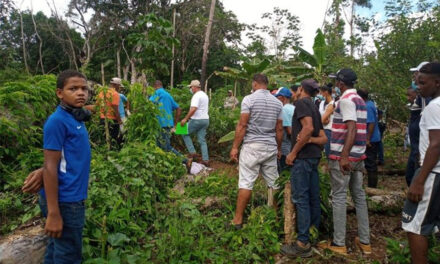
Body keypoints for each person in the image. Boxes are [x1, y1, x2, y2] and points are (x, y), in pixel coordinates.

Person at [23, 70, 91, 263]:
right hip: (65, 201)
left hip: (70, 197)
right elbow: (51, 166)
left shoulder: (75, 116)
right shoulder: (57, 121)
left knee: (56, 248)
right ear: (59, 93)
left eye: (84, 89)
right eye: (73, 89)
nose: (80, 93)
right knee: (68, 254)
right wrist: (53, 213)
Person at [319, 68, 371, 255]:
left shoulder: (347, 101)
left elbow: (352, 129)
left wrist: (343, 156)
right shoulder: (360, 100)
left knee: (339, 197)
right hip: (358, 156)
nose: (336, 86)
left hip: (344, 157)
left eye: (337, 83)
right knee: (359, 196)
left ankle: (339, 243)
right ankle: (365, 241)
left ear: (341, 84)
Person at [229, 74, 283, 229]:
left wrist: (234, 147)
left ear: (255, 84)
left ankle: (238, 220)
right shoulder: (277, 103)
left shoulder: (249, 99)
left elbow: (242, 125)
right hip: (270, 147)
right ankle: (275, 219)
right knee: (273, 183)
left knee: (246, 182)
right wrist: (278, 148)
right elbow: (279, 129)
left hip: (252, 147)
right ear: (266, 84)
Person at [281, 79, 327, 258]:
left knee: (301, 198)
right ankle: (312, 234)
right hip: (314, 157)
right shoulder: (315, 107)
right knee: (312, 197)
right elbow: (322, 138)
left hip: (303, 159)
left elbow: (307, 128)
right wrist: (309, 140)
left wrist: (293, 152)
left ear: (301, 89)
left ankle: (302, 243)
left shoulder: (300, 103)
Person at [402, 62, 440, 264]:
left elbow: (436, 145)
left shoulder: (434, 107)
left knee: (414, 226)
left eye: (423, 83)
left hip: (431, 172)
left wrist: (419, 180)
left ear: (437, 82)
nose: (419, 87)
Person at [180, 80, 210, 166]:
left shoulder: (196, 96)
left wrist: (185, 119)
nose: (190, 89)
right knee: (202, 140)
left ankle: (192, 152)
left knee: (183, 132)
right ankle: (205, 160)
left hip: (197, 120)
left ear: (194, 87)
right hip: (205, 120)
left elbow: (193, 109)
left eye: (191, 87)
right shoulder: (204, 95)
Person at [357, 89, 381, 188]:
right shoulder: (370, 104)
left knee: (370, 164)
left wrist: (368, 139)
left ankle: (372, 187)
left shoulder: (367, 106)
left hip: (371, 140)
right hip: (371, 138)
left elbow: (371, 123)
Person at [97, 77, 123, 148]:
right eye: (119, 86)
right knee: (114, 140)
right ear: (115, 85)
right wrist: (120, 121)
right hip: (112, 121)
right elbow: (115, 110)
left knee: (105, 139)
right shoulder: (115, 94)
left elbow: (97, 106)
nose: (119, 88)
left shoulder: (102, 92)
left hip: (102, 119)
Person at [275, 87, 295, 172]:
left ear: (283, 98)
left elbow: (288, 130)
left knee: (283, 172)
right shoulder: (293, 107)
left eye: (278, 97)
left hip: (285, 148)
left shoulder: (284, 109)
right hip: (292, 147)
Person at [318, 84, 335, 159]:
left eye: (321, 92)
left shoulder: (332, 104)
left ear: (326, 92)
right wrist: (323, 120)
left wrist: (323, 120)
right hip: (322, 129)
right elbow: (322, 119)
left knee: (329, 152)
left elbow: (323, 119)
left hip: (329, 130)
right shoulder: (321, 103)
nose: (320, 94)